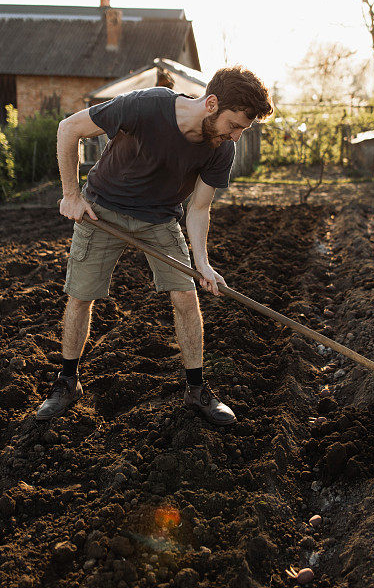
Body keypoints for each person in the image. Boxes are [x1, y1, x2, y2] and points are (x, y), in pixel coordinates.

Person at [36, 66, 273, 425]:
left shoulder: (220, 149)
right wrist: (70, 195)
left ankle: (197, 389)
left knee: (186, 298)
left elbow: (198, 208)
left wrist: (203, 264)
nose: (236, 137)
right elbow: (69, 128)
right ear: (211, 104)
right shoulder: (145, 106)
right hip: (103, 210)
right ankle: (67, 382)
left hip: (161, 218)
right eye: (235, 125)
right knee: (81, 296)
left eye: (242, 129)